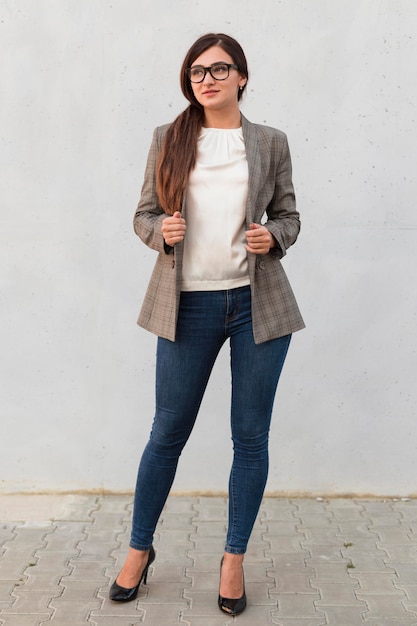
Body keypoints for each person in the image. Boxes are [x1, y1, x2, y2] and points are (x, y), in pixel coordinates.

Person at [110, 32, 305, 615]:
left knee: (249, 437)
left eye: (220, 69)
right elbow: (144, 213)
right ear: (188, 81)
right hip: (186, 306)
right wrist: (157, 233)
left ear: (242, 77)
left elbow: (290, 215)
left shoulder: (270, 142)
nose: (208, 79)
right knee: (166, 434)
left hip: (256, 305)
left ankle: (232, 559)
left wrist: (274, 237)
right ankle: (139, 551)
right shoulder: (169, 138)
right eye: (197, 71)